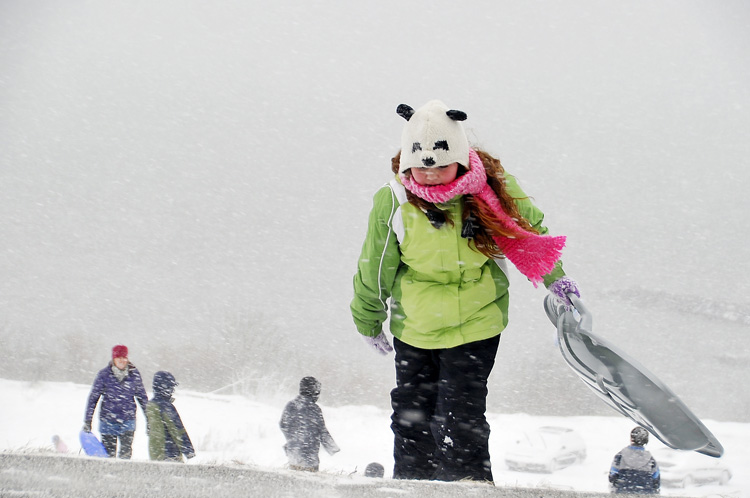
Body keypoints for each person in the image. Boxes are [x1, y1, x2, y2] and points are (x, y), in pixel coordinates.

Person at [351, 100, 580, 483]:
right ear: (408, 161)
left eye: (441, 164)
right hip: (416, 325)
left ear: (459, 158)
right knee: (412, 412)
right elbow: (375, 266)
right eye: (422, 166)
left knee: (461, 412)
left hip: (477, 320)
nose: (431, 175)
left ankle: (468, 484)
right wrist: (369, 318)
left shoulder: (487, 190)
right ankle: (413, 483)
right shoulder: (393, 201)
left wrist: (554, 275)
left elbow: (525, 232)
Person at [82, 344, 148, 459]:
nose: (122, 360)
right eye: (119, 358)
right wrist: (88, 420)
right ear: (114, 359)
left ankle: (123, 475)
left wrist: (149, 419)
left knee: (126, 453)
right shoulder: (104, 375)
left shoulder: (134, 374)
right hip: (108, 420)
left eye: (124, 358)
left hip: (128, 420)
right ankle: (108, 475)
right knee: (108, 455)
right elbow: (93, 398)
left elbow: (142, 397)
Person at [279, 376, 340, 472]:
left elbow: (283, 425)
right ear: (313, 391)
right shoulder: (314, 409)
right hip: (310, 456)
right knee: (310, 481)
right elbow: (322, 431)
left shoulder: (291, 405)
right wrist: (332, 448)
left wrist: (293, 440)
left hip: (294, 454)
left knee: (294, 478)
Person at [146, 371, 196, 462]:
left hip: (155, 451)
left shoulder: (150, 405)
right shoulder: (166, 407)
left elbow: (149, 429)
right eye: (171, 388)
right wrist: (188, 449)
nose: (172, 391)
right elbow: (177, 429)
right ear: (164, 388)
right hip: (170, 452)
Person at [609, 427, 660, 494]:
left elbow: (612, 476)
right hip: (645, 493)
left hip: (623, 492)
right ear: (646, 440)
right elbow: (656, 481)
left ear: (631, 438)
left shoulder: (620, 456)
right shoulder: (650, 459)